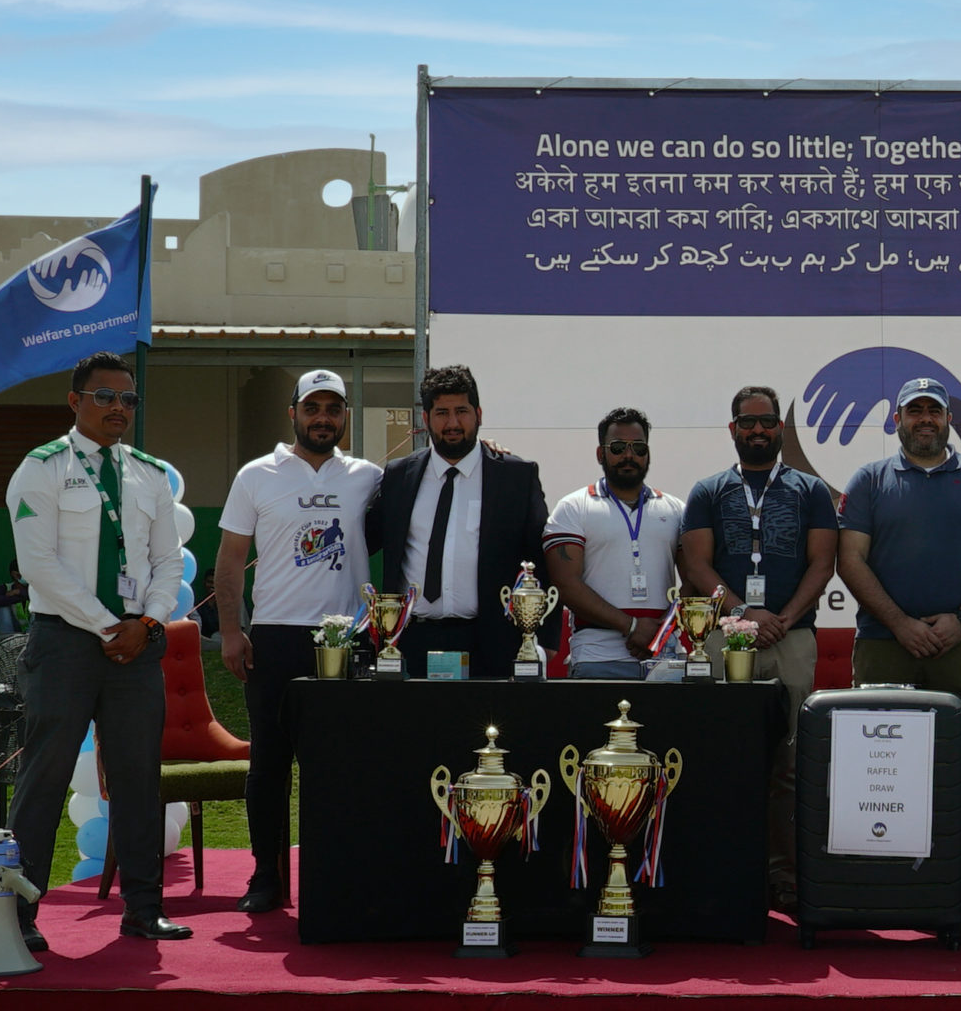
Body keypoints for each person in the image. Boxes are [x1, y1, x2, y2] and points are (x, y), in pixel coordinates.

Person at [2, 351, 192, 944]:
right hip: (66, 643)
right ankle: (18, 917)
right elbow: (39, 564)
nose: (118, 408)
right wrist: (110, 625)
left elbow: (168, 561)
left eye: (128, 399)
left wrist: (149, 621)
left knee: (138, 778)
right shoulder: (42, 468)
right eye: (105, 396)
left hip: (137, 645)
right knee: (45, 776)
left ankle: (143, 908)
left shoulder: (148, 474)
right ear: (75, 401)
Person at [213, 369, 382, 913]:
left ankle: (335, 874)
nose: (323, 418)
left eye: (333, 408)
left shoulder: (369, 477)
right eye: (313, 408)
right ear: (294, 414)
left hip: (348, 639)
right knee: (269, 764)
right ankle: (266, 876)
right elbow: (230, 561)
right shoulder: (256, 475)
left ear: (346, 416)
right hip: (274, 638)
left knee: (338, 766)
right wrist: (233, 631)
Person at [680, 384, 839, 906]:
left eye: (766, 421)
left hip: (793, 637)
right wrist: (745, 615)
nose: (757, 430)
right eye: (747, 422)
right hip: (725, 637)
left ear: (780, 427)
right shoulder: (708, 490)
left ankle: (784, 873)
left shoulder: (810, 490)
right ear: (733, 429)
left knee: (790, 761)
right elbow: (696, 564)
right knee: (725, 754)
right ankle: (728, 871)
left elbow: (823, 563)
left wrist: (783, 618)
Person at [363, 365, 555, 678]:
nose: (453, 423)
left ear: (478, 414)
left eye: (462, 411)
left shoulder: (515, 477)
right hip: (410, 641)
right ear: (426, 418)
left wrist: (545, 640)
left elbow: (542, 557)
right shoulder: (399, 476)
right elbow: (363, 540)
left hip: (491, 642)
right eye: (442, 413)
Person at [837, 377, 961, 692]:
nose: (925, 419)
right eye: (915, 410)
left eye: (934, 411)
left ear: (949, 418)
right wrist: (899, 624)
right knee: (877, 726)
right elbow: (850, 559)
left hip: (960, 645)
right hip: (883, 644)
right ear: (897, 420)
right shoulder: (868, 479)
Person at [544, 407, 687, 680]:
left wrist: (662, 630)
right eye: (618, 447)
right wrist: (631, 626)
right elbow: (565, 584)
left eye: (638, 448)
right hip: (597, 657)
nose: (629, 455)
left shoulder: (676, 509)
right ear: (601, 454)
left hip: (665, 657)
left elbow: (694, 577)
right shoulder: (573, 507)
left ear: (648, 454)